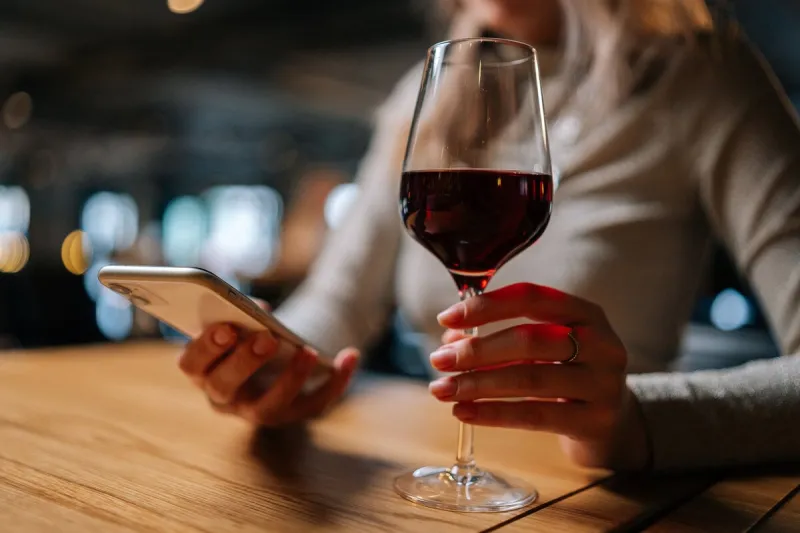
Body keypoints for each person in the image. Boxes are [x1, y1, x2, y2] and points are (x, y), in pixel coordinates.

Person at [177, 0, 800, 472]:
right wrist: (276, 365)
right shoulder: (425, 93)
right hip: (420, 471)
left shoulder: (703, 75)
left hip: (607, 494)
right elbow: (338, 302)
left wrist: (638, 419)